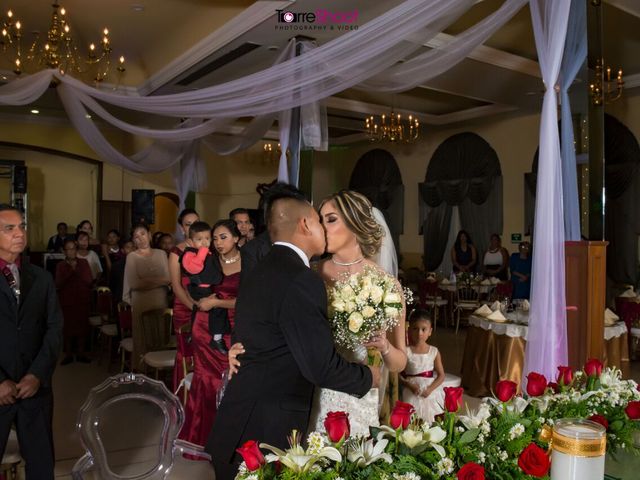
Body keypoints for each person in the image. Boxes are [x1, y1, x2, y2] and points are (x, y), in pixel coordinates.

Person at [207, 194, 377, 480]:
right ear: (306, 224)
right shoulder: (301, 278)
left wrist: (239, 349)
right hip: (264, 426)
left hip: (240, 417)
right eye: (321, 221)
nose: (324, 228)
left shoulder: (261, 267)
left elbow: (258, 330)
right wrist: (371, 377)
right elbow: (319, 367)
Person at [308, 190, 407, 436]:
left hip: (363, 396)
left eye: (331, 219)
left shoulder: (387, 284)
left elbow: (399, 363)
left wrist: (384, 347)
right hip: (314, 391)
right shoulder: (310, 275)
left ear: (355, 224)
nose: (323, 228)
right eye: (320, 221)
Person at [0, 204, 63, 479]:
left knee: (40, 465)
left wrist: (37, 374)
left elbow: (54, 328)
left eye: (22, 226)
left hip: (34, 388)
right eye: (9, 228)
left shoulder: (41, 278)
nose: (19, 233)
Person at [180, 219, 240, 451]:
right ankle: (201, 437)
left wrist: (217, 301)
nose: (217, 242)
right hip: (205, 328)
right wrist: (200, 300)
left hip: (235, 329)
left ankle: (228, 442)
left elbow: (249, 300)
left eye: (223, 237)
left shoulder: (250, 261)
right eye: (214, 238)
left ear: (236, 238)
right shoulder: (208, 259)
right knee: (207, 381)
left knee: (232, 382)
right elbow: (190, 284)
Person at [123, 224, 170, 364]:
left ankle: (159, 372)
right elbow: (135, 284)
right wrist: (158, 281)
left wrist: (146, 280)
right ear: (133, 241)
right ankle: (142, 372)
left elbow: (168, 279)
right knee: (142, 340)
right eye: (136, 237)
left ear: (149, 235)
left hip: (160, 303)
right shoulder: (132, 257)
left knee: (160, 336)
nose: (140, 239)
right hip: (141, 304)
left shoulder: (161, 254)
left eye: (143, 234)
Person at [179, 221, 225, 353]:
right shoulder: (189, 254)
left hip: (206, 287)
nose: (204, 242)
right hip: (197, 288)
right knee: (217, 308)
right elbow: (194, 268)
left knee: (199, 312)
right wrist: (203, 252)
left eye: (207, 238)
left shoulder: (209, 253)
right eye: (199, 239)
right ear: (191, 242)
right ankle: (216, 339)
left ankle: (193, 335)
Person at [169, 208, 200, 391]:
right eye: (188, 224)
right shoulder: (176, 251)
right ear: (182, 229)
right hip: (184, 307)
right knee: (186, 353)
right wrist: (194, 307)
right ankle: (183, 398)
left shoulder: (207, 249)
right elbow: (176, 286)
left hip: (203, 306)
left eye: (196, 223)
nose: (193, 227)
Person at [399, 310, 445, 424]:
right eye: (415, 329)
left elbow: (441, 375)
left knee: (431, 418)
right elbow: (397, 373)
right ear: (409, 330)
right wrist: (408, 384)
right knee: (412, 417)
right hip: (412, 389)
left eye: (424, 329)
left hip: (430, 390)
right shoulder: (406, 351)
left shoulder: (434, 351)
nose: (419, 333)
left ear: (430, 331)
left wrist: (430, 389)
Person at [56, 239, 93, 365]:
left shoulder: (83, 263)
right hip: (67, 301)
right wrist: (70, 271)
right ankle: (68, 355)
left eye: (73, 248)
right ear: (64, 251)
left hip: (82, 299)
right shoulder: (61, 265)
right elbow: (58, 284)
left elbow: (88, 280)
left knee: (82, 327)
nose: (71, 251)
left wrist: (76, 270)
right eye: (68, 249)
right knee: (67, 329)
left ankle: (81, 353)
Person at [109, 239, 134, 304]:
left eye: (133, 247)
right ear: (123, 250)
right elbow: (112, 285)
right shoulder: (116, 266)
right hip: (120, 300)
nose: (132, 250)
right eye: (128, 247)